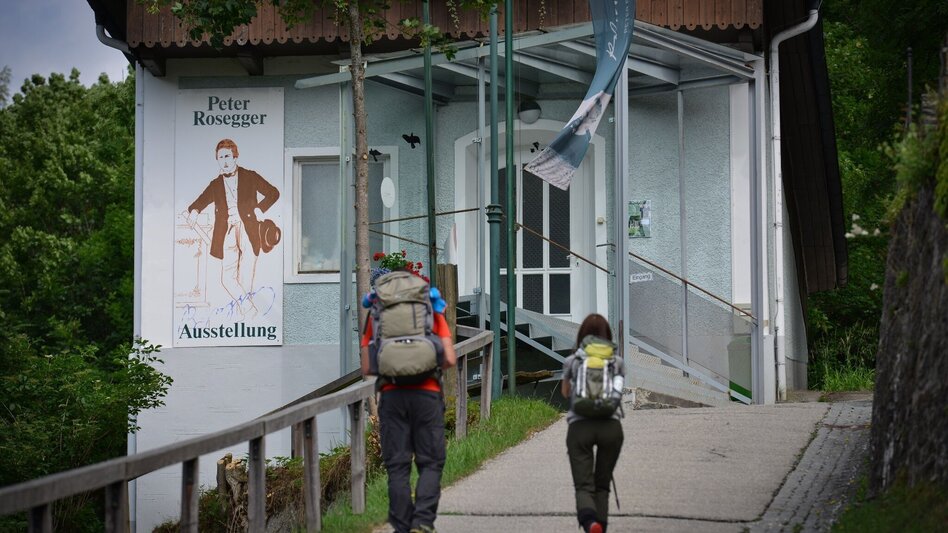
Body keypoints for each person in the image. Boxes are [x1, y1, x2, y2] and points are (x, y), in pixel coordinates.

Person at [360, 274, 458, 533]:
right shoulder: (429, 310)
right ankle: (423, 522)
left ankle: (402, 527)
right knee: (431, 461)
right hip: (427, 394)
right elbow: (449, 358)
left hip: (392, 396)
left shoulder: (378, 314)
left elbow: (368, 367)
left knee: (397, 465)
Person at [185, 138, 280, 316]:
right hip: (227, 232)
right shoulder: (215, 184)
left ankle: (244, 319)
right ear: (217, 160)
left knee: (245, 279)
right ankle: (249, 311)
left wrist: (260, 208)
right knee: (227, 279)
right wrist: (195, 211)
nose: (225, 161)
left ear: (235, 157)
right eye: (221, 157)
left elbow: (273, 192)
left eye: (228, 156)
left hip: (249, 230)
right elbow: (200, 201)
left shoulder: (250, 176)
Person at [561, 313, 625, 533]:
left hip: (580, 427)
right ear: (607, 335)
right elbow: (617, 393)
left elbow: (565, 392)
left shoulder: (572, 361)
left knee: (583, 485)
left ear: (582, 336)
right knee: (602, 485)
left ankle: (590, 524)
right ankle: (602, 526)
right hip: (611, 427)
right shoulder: (617, 362)